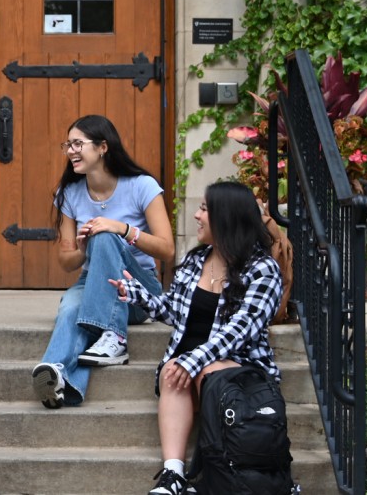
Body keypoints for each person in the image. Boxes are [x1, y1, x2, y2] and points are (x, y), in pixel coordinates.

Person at [110, 180, 285, 495]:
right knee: (172, 369)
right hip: (191, 366)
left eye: (204, 209)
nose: (197, 215)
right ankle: (173, 473)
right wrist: (138, 295)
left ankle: (213, 475)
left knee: (204, 371)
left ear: (225, 216)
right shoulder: (195, 261)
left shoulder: (263, 270)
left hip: (240, 367)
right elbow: (173, 313)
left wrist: (195, 359)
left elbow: (243, 327)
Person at [31, 114, 175, 409]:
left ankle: (116, 336)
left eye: (78, 143)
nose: (71, 150)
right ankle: (59, 377)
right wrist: (84, 248)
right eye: (67, 144)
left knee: (106, 235)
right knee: (71, 305)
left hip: (138, 291)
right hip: (92, 281)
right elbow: (67, 262)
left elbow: (167, 250)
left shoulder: (142, 186)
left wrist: (121, 229)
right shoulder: (69, 193)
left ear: (102, 147)